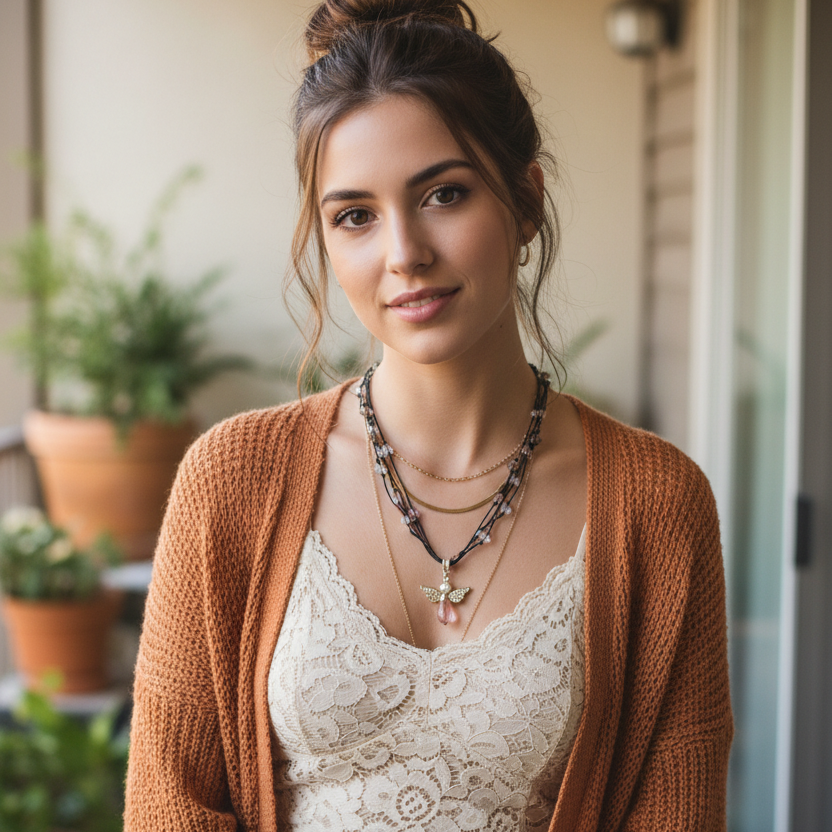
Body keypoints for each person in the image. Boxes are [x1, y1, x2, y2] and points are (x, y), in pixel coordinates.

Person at [124, 0, 734, 829]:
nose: (404, 252)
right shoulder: (231, 479)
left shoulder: (659, 503)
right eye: (355, 216)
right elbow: (171, 802)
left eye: (444, 193)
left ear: (524, 202)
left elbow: (676, 812)